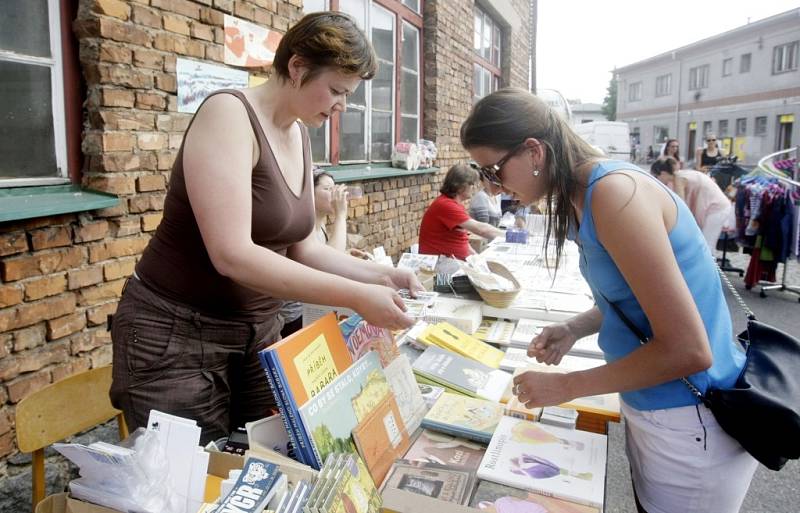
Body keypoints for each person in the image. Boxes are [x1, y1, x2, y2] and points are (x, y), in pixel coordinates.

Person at [109, 12, 422, 444]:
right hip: (176, 334)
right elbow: (231, 253)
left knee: (262, 456)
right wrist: (356, 296)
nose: (340, 107)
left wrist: (385, 276)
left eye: (347, 95)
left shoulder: (297, 133)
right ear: (296, 67)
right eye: (335, 90)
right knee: (195, 483)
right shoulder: (229, 114)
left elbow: (306, 249)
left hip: (257, 332)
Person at [460, 88, 756, 513]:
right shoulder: (584, 196)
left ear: (533, 152)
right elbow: (635, 298)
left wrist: (566, 387)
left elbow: (688, 349)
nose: (492, 184)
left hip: (690, 414)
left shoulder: (613, 194)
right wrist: (573, 328)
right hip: (660, 408)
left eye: (493, 169)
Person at [280, 169, 371, 337]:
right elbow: (328, 268)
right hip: (296, 316)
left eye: (335, 188)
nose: (335, 194)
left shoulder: (320, 225)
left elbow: (326, 254)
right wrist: (341, 214)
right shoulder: (302, 227)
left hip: (314, 305)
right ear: (310, 194)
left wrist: (345, 253)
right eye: (328, 189)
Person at [418, 163, 504, 260]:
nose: (474, 188)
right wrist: (507, 236)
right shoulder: (446, 205)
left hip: (450, 263)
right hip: (439, 268)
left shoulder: (454, 205)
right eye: (472, 184)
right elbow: (480, 229)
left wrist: (477, 260)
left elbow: (461, 240)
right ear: (460, 186)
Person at [650, 157, 731, 252]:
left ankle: (706, 266)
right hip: (713, 207)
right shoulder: (680, 175)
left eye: (655, 177)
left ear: (663, 173)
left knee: (706, 246)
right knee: (703, 243)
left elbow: (681, 207)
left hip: (716, 208)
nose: (656, 180)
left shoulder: (679, 179)